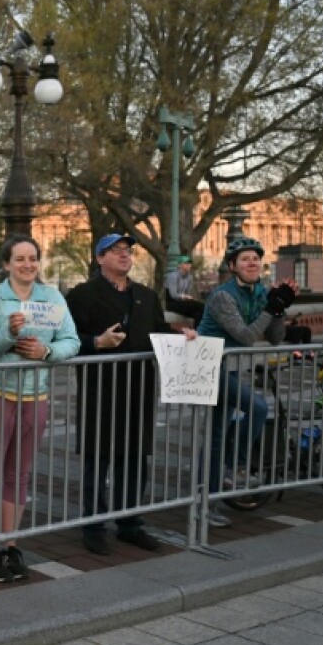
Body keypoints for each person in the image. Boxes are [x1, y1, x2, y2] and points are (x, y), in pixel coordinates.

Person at [65, 233, 192, 555]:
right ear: (99, 258)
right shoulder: (82, 295)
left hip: (138, 389)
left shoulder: (146, 296)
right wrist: (96, 342)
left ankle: (130, 523)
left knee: (136, 458)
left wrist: (183, 337)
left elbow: (159, 333)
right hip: (101, 390)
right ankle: (93, 526)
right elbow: (66, 338)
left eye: (127, 250)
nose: (123, 255)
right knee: (99, 458)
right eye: (114, 250)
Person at [0, 236, 80, 582]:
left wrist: (46, 354)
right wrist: (8, 332)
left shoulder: (52, 297)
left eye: (32, 258)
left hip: (36, 395)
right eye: (20, 259)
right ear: (6, 264)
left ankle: (9, 544)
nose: (27, 265)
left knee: (19, 473)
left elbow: (71, 340)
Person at [197, 236, 295, 526]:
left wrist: (279, 308)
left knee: (216, 437)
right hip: (209, 367)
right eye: (244, 259)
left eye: (256, 258)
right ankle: (236, 466)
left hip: (230, 369)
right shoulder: (222, 296)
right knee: (258, 408)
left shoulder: (261, 291)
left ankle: (207, 504)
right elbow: (247, 336)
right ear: (232, 266)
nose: (252, 262)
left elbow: (276, 338)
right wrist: (269, 309)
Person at [165, 255, 205, 326]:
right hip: (172, 303)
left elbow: (187, 293)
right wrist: (184, 297)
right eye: (186, 264)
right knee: (200, 306)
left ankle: (198, 332)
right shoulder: (173, 276)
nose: (189, 265)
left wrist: (187, 298)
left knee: (197, 314)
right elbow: (173, 295)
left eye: (190, 264)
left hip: (183, 303)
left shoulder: (189, 278)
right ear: (180, 265)